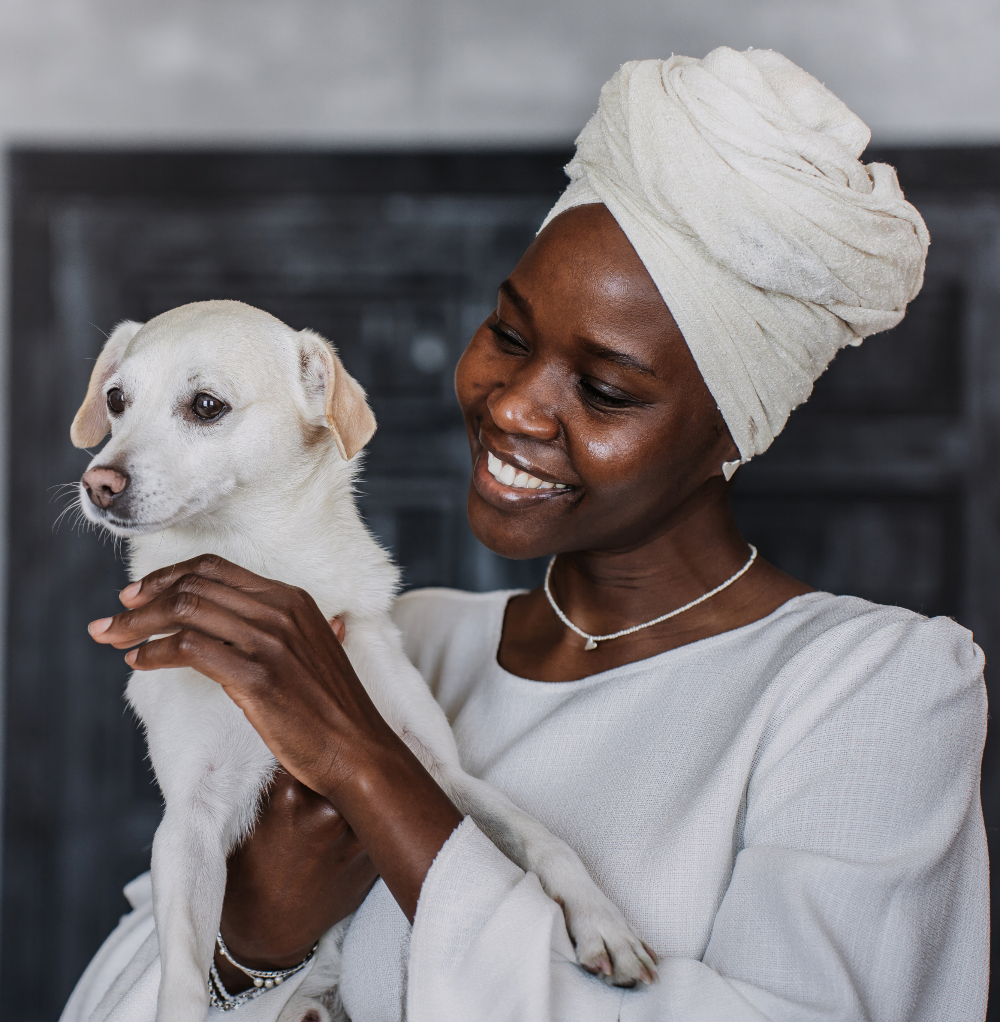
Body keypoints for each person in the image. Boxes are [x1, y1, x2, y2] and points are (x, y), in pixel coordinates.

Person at [62, 47, 987, 1022]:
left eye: (604, 389)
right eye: (508, 333)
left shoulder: (877, 686)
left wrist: (379, 777)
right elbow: (105, 1000)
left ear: (733, 431)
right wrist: (256, 938)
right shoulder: (388, 637)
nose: (512, 405)